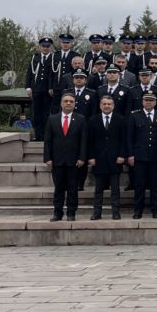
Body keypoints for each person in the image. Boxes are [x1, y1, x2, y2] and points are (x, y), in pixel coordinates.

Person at [42, 93, 87, 221]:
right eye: (66, 101)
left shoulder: (81, 119)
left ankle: (71, 213)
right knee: (59, 188)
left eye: (71, 101)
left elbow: (83, 140)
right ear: (61, 103)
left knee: (73, 188)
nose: (68, 103)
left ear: (74, 104)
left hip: (74, 161)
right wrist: (47, 158)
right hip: (57, 161)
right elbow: (48, 141)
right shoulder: (52, 119)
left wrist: (82, 157)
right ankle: (57, 212)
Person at [125, 92, 157, 219]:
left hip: (155, 157)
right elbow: (129, 137)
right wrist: (130, 155)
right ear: (142, 102)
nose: (148, 102)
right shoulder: (134, 115)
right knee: (139, 184)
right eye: (146, 100)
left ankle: (155, 210)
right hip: (139, 156)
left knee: (155, 185)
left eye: (151, 100)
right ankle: (138, 210)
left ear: (155, 102)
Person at [87, 96, 126, 220]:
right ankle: (97, 212)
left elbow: (123, 140)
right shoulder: (93, 120)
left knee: (115, 189)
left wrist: (122, 155)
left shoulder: (120, 119)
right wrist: (91, 156)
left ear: (113, 106)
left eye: (109, 104)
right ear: (100, 106)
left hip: (115, 160)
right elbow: (90, 140)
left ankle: (116, 212)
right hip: (99, 160)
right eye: (104, 104)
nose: (107, 106)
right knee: (98, 189)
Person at [27, 37, 57, 141]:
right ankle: (37, 134)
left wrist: (51, 87)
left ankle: (45, 134)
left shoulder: (54, 58)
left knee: (46, 113)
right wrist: (28, 87)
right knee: (36, 113)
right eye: (43, 46)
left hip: (47, 90)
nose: (45, 48)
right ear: (40, 47)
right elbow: (29, 73)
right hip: (36, 89)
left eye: (47, 46)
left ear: (50, 47)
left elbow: (54, 75)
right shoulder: (35, 58)